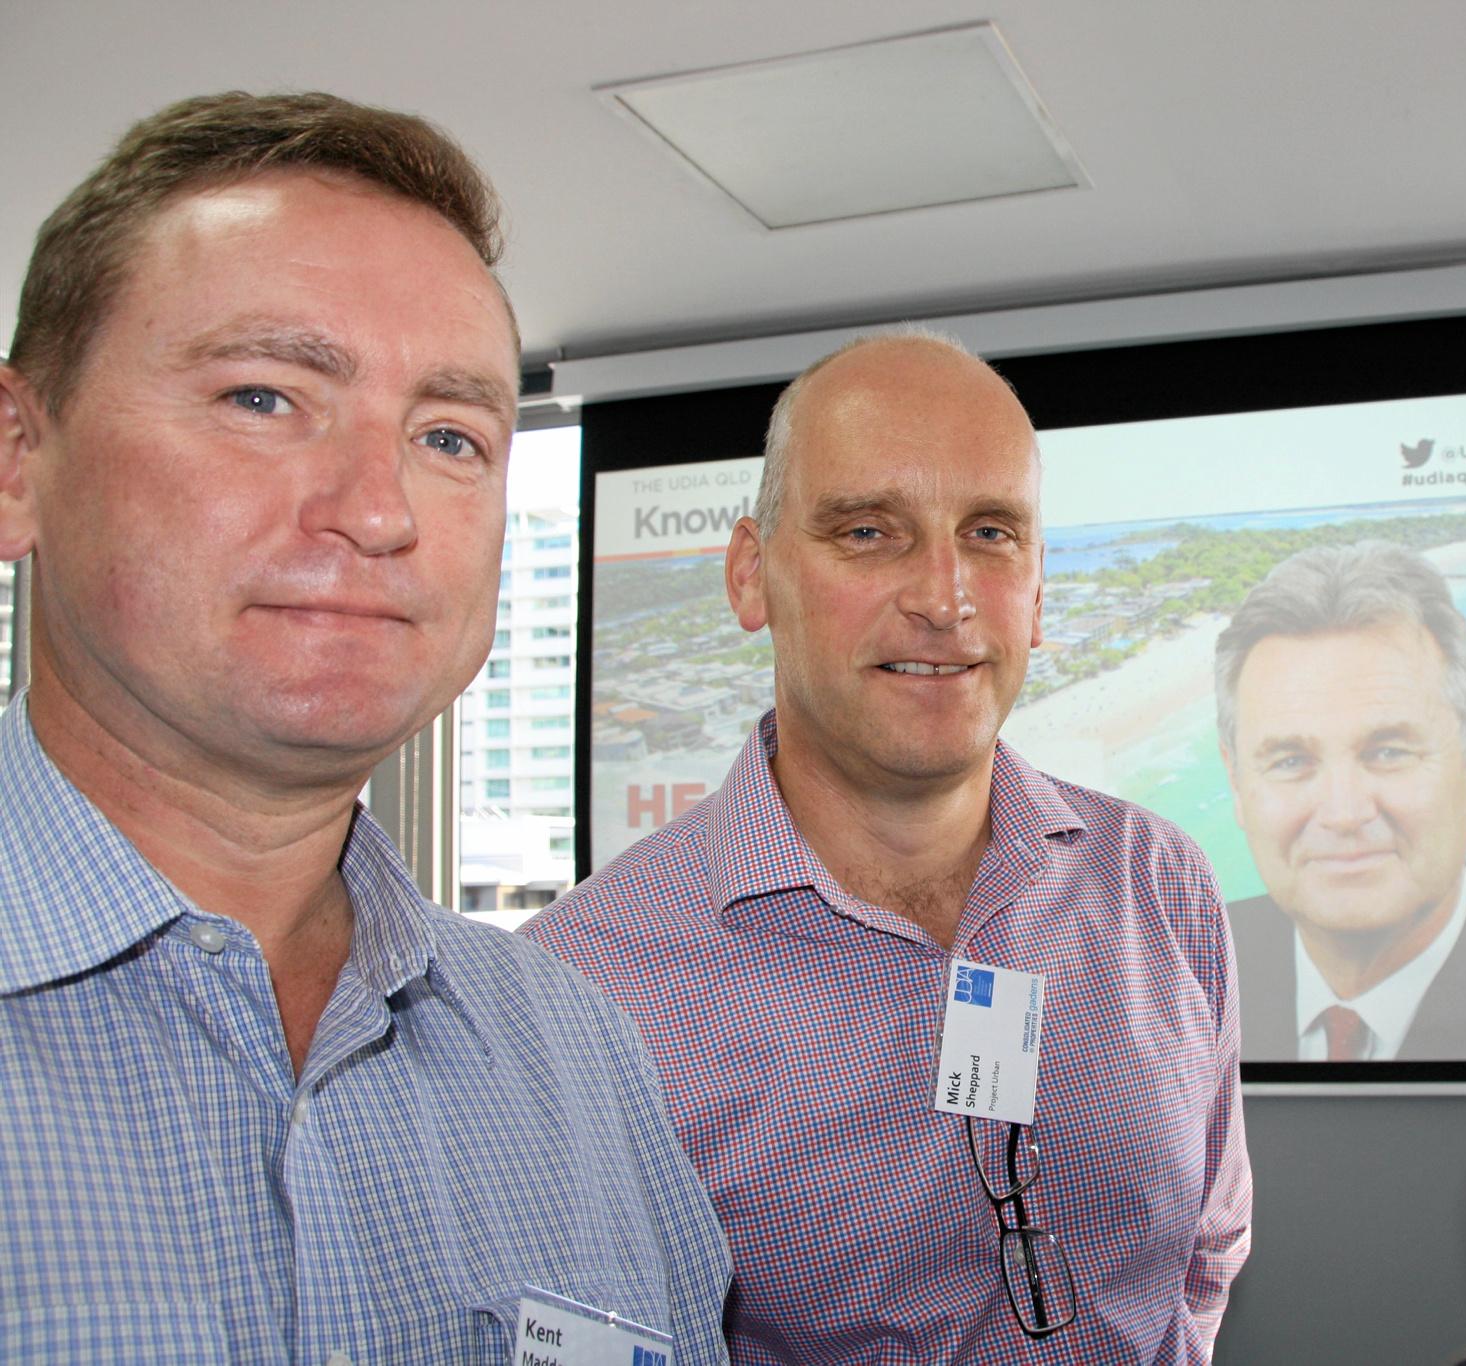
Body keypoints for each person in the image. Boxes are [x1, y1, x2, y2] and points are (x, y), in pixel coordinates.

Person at [0, 92, 729, 1362]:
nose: (378, 509)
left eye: (449, 436)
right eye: (265, 398)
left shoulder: (578, 1059)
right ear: (19, 457)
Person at [526, 328, 1252, 1363]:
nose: (944, 596)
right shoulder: (585, 985)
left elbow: (1204, 1249)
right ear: (748, 577)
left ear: (1038, 590)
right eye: (869, 531)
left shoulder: (1156, 883)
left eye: (990, 532)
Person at [1215, 540, 1466, 1061]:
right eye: (1290, 761)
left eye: (1387, 751)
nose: (1344, 814)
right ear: (1237, 782)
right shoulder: (1180, 980)